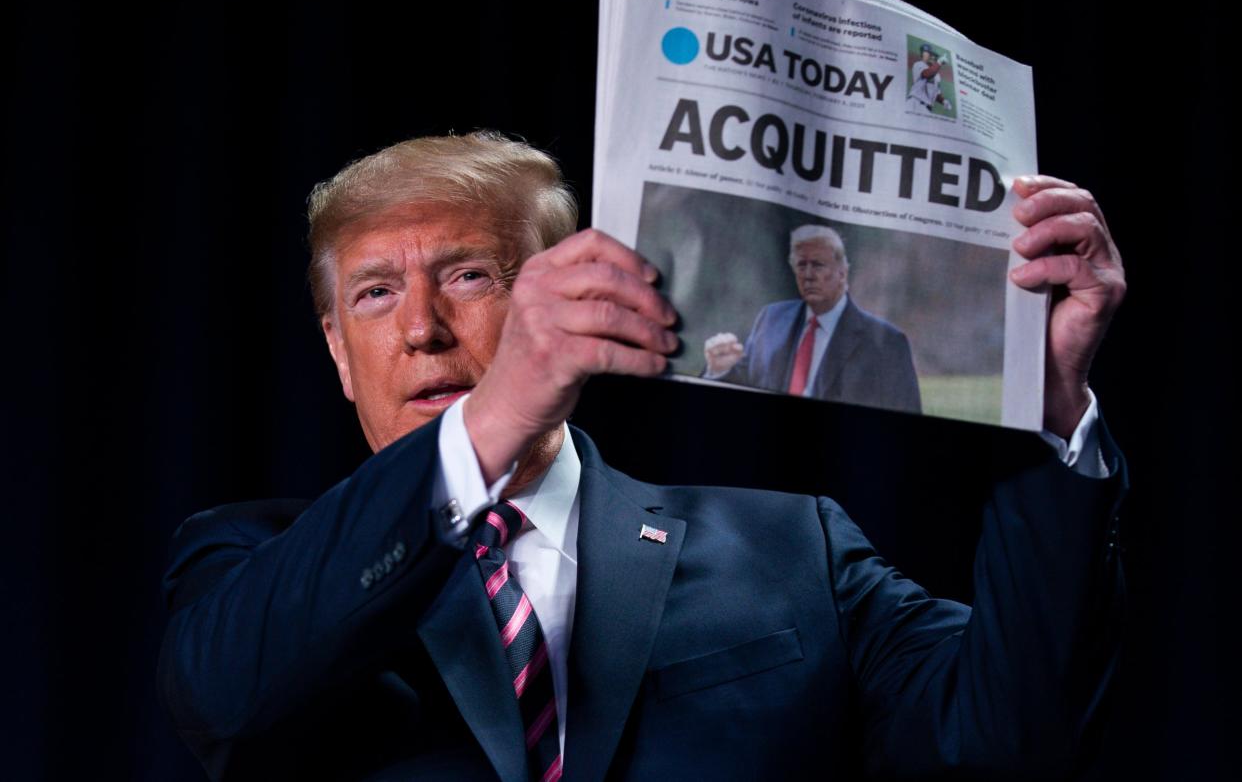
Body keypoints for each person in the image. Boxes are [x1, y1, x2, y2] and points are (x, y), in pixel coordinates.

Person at [158, 132, 1128, 781]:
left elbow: (1016, 742)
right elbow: (225, 701)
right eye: (374, 295)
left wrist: (1047, 408)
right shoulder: (247, 562)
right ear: (336, 350)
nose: (422, 329)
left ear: (565, 289)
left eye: (468, 276)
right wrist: (486, 427)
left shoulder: (796, 549)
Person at [701, 224, 922, 414]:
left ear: (842, 273)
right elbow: (742, 385)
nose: (808, 275)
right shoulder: (771, 319)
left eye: (817, 265)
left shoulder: (886, 343)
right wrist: (719, 371)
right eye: (801, 265)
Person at [907, 42, 953, 114]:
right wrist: (939, 63)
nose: (933, 58)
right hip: (915, 103)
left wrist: (943, 101)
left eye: (935, 57)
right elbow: (927, 74)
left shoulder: (937, 75)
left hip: (927, 109)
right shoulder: (919, 64)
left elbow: (936, 93)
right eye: (931, 55)